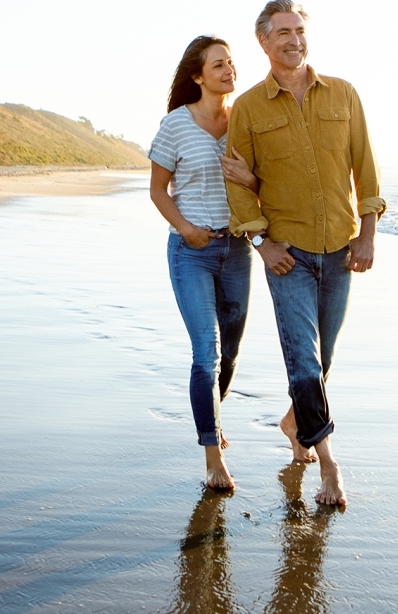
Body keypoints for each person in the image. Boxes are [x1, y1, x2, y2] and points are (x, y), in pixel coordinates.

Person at [226, 0, 386, 506]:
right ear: (264, 42)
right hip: (287, 254)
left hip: (340, 248)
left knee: (325, 358)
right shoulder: (248, 108)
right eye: (283, 32)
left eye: (299, 30)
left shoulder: (343, 94)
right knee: (303, 359)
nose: (294, 40)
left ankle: (296, 423)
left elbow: (366, 166)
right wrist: (260, 242)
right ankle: (331, 467)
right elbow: (237, 184)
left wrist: (368, 234)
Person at [149, 35, 256, 490]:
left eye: (231, 62)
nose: (229, 70)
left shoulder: (246, 122)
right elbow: (158, 190)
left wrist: (251, 178)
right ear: (198, 75)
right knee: (205, 354)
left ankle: (214, 418)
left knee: (229, 353)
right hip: (191, 250)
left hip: (237, 250)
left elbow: (263, 184)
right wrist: (186, 228)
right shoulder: (175, 124)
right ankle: (212, 455)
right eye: (218, 64)